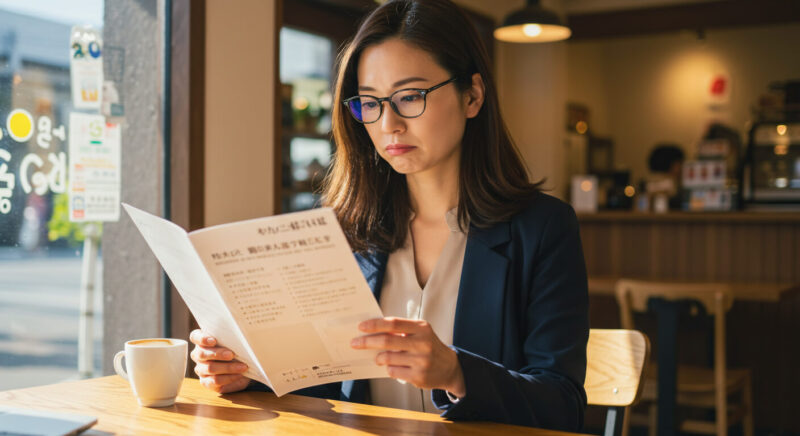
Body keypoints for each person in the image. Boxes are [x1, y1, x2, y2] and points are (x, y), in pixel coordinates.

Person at [189, 0, 589, 431]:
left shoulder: (542, 229)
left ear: (472, 95)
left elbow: (562, 405)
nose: (389, 124)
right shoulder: (344, 232)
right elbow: (331, 390)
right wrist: (249, 373)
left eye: (410, 96)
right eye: (370, 103)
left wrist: (456, 373)